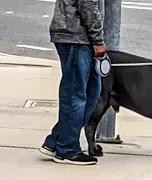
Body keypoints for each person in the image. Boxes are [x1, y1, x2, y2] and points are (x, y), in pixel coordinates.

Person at [39, 0, 106, 165]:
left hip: (79, 37)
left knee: (91, 92)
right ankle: (67, 149)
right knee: (75, 95)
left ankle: (55, 141)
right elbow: (88, 5)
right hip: (76, 37)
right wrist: (98, 40)